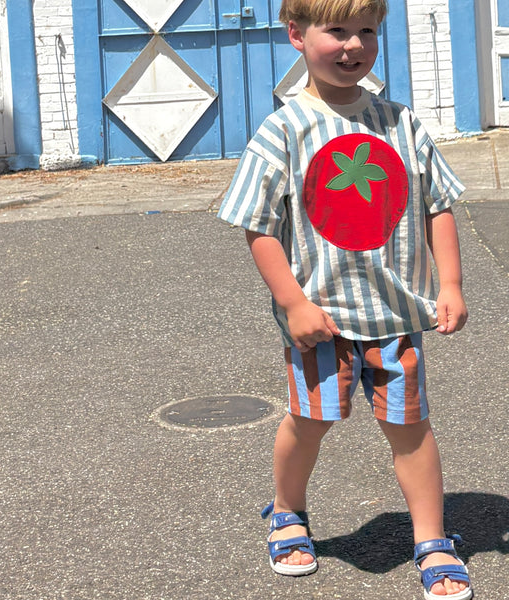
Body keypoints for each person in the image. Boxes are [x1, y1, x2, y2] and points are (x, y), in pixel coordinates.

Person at [217, 1, 473, 598]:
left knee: (411, 429)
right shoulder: (283, 130)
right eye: (337, 30)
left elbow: (438, 206)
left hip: (397, 315)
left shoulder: (400, 123)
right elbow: (258, 225)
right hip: (321, 321)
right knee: (309, 422)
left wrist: (451, 285)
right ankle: (287, 510)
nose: (354, 44)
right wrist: (293, 302)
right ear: (296, 36)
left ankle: (433, 539)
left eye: (368, 31)